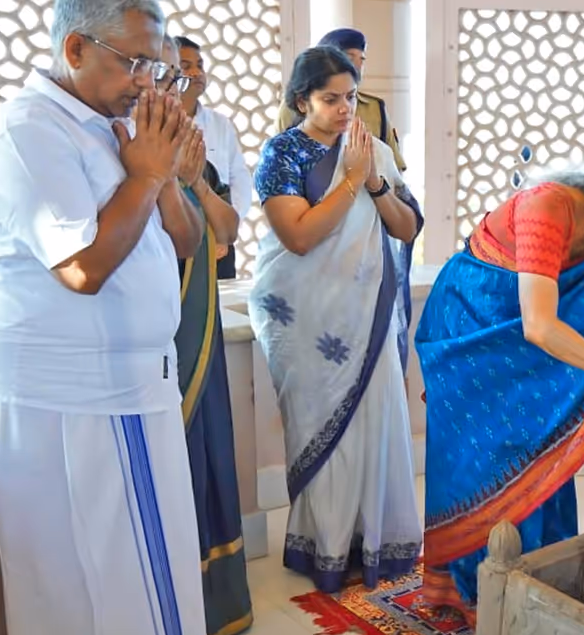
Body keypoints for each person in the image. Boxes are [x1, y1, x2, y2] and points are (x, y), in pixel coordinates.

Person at [0, 0, 210, 635]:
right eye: (135, 62)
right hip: (82, 397)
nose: (149, 81)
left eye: (156, 65)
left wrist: (164, 177)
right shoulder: (27, 133)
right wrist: (143, 175)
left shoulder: (113, 127)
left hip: (119, 389)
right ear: (75, 47)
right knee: (97, 584)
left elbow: (188, 244)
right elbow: (82, 269)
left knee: (106, 580)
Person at [415, 149, 584, 621]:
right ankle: (475, 595)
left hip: (533, 344)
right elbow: (540, 327)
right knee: (481, 459)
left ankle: (542, 582)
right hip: (476, 330)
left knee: (544, 447)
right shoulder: (548, 206)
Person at [248, 46, 424, 594]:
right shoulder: (282, 154)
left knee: (372, 428)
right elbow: (297, 237)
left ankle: (374, 543)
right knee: (322, 432)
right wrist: (350, 179)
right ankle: (323, 547)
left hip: (365, 318)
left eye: (351, 97)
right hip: (307, 322)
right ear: (302, 100)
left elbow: (407, 228)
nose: (346, 109)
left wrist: (372, 180)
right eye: (331, 99)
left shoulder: (372, 152)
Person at [156, 36, 255, 635]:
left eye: (183, 79)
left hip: (202, 324)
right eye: (168, 78)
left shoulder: (194, 158)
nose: (180, 90)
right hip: (160, 337)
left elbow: (223, 235)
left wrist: (196, 181)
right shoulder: (127, 157)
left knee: (210, 451)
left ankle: (217, 604)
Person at [175, 35, 254, 279]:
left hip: (220, 240)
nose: (197, 72)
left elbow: (239, 179)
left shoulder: (220, 124)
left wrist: (222, 231)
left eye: (200, 65)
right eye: (186, 67)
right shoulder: (153, 122)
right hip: (175, 238)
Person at [275, 28, 407, 172]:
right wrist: (354, 178)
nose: (345, 109)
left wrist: (376, 185)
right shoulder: (283, 145)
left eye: (361, 59)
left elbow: (396, 174)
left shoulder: (375, 109)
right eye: (349, 58)